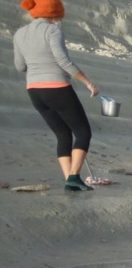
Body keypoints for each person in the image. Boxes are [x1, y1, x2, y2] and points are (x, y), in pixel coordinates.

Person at [14, 0, 99, 192]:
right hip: (57, 87)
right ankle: (74, 177)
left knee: (62, 134)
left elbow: (20, 66)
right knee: (83, 132)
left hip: (34, 90)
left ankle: (70, 180)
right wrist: (88, 82)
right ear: (55, 13)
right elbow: (63, 61)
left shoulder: (19, 33)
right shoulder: (52, 31)